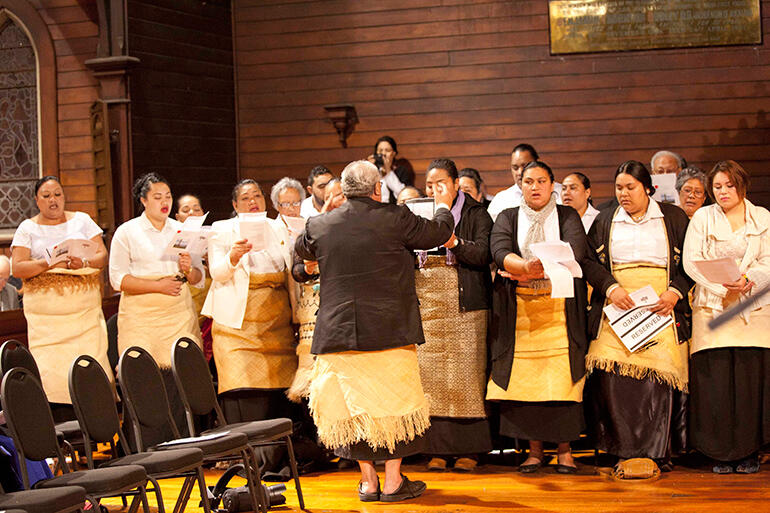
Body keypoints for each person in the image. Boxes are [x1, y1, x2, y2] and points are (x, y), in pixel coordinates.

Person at [295, 160, 454, 502]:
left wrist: (325, 213)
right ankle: (393, 482)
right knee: (394, 406)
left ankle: (368, 483)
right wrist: (443, 204)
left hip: (339, 333)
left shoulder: (321, 224)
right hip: (389, 330)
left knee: (353, 409)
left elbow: (301, 251)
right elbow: (438, 234)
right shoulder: (396, 218)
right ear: (378, 188)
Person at [486, 161, 606, 474]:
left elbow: (576, 249)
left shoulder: (567, 215)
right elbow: (498, 249)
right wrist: (522, 267)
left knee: (562, 382)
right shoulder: (507, 216)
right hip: (521, 312)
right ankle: (534, 452)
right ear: (520, 185)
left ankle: (565, 452)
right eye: (528, 181)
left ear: (552, 185)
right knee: (525, 386)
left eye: (541, 181)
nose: (535, 187)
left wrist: (544, 269)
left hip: (559, 309)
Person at [586, 160, 691, 472]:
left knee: (657, 375)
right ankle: (619, 447)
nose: (624, 194)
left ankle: (656, 451)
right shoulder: (605, 219)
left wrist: (674, 292)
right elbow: (589, 261)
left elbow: (691, 260)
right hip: (619, 303)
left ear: (648, 188)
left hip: (661, 304)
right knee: (610, 371)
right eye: (619, 188)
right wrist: (609, 287)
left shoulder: (672, 217)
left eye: (630, 187)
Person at [683, 160, 770, 474]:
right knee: (716, 381)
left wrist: (749, 280)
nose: (722, 192)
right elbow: (692, 262)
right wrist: (720, 286)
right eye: (717, 187)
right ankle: (720, 453)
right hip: (713, 308)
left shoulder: (762, 217)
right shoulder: (704, 217)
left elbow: (768, 260)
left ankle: (749, 451)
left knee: (748, 381)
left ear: (742, 185)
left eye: (728, 185)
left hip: (753, 309)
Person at [109, 173, 204, 441]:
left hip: (177, 313)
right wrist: (158, 286)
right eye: (157, 197)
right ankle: (147, 447)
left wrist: (190, 269)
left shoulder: (182, 229)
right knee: (143, 377)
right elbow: (118, 279)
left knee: (179, 377)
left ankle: (183, 445)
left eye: (168, 197)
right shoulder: (127, 232)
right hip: (142, 316)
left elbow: (198, 279)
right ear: (143, 200)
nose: (164, 202)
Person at [415, 159, 493, 472]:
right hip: (426, 300)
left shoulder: (476, 213)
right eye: (430, 185)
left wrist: (454, 242)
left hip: (465, 302)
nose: (434, 190)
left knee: (467, 377)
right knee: (431, 379)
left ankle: (470, 451)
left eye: (441, 184)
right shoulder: (419, 212)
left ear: (456, 184)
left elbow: (484, 254)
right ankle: (437, 450)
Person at [11, 176, 111, 420]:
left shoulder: (82, 220)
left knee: (88, 369)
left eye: (57, 194)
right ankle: (61, 440)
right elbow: (18, 268)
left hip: (84, 315)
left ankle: (99, 435)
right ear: (37, 200)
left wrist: (83, 262)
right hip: (49, 324)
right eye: (46, 196)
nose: (53, 200)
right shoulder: (28, 227)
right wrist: (48, 262)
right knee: (53, 376)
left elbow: (102, 255)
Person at [202, 179, 297, 424]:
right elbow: (217, 272)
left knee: (280, 391)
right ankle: (250, 457)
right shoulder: (222, 229)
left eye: (257, 196)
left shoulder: (277, 227)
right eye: (245, 198)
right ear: (235, 204)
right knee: (243, 388)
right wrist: (233, 257)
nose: (252, 201)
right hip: (238, 327)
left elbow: (288, 272)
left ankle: (278, 458)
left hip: (277, 324)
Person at [487, 143, 562, 221]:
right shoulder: (501, 199)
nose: (519, 172)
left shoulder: (562, 192)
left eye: (525, 166)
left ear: (537, 163)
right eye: (515, 168)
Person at [367, 135, 415, 204]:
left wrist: (388, 170)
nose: (383, 154)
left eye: (387, 150)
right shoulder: (373, 171)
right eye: (380, 151)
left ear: (394, 153)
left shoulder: (401, 171)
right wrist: (368, 168)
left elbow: (402, 194)